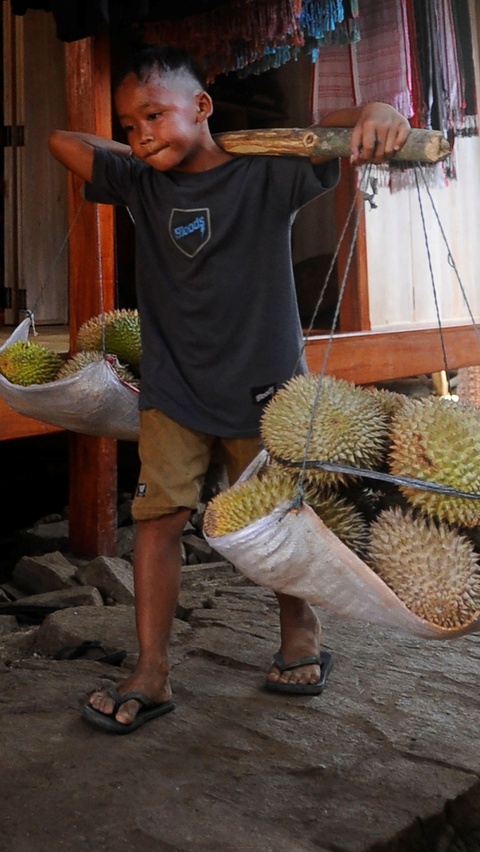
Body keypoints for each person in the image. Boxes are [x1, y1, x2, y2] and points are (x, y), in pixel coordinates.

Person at [49, 45, 410, 734]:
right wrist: (142, 148)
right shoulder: (141, 183)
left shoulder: (264, 177)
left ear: (203, 107)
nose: (141, 132)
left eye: (154, 114)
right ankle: (152, 671)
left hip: (266, 391)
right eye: (129, 125)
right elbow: (64, 141)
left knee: (279, 523)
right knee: (156, 522)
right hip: (174, 391)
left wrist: (372, 110)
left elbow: (325, 133)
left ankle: (300, 633)